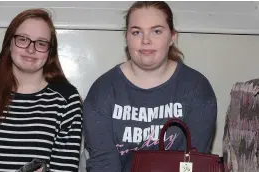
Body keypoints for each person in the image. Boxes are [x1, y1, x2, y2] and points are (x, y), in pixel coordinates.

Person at [83, 1, 218, 172]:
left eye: (156, 31)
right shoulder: (102, 92)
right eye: (137, 32)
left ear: (172, 37)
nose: (146, 40)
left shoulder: (197, 89)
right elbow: (103, 165)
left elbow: (192, 164)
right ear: (126, 37)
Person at [0, 8, 83, 172]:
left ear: (50, 52)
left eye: (41, 43)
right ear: (9, 43)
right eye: (23, 39)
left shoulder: (67, 100)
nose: (31, 49)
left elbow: (65, 168)